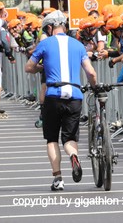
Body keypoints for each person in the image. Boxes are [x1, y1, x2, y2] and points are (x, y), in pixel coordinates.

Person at [25, 10, 97, 191]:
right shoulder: (78, 45)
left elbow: (28, 67)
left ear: (49, 28)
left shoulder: (45, 43)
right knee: (70, 137)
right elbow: (91, 72)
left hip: (53, 95)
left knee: (51, 139)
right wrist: (94, 87)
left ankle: (57, 178)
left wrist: (41, 67)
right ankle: (73, 156)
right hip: (74, 95)